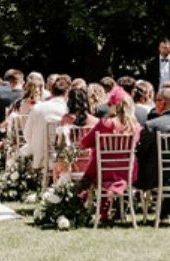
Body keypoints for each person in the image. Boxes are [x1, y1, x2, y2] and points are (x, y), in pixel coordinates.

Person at [79, 86, 141, 219]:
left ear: (114, 106)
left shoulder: (105, 123)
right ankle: (110, 207)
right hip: (128, 173)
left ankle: (92, 204)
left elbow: (84, 143)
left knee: (96, 157)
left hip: (104, 172)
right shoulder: (135, 127)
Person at [21, 75, 70, 172]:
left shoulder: (37, 108)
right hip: (63, 158)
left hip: (40, 156)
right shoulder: (67, 110)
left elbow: (27, 134)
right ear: (67, 93)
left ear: (51, 92)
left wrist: (36, 145)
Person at [136, 86, 170, 193]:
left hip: (156, 177)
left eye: (156, 101)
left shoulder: (151, 125)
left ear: (162, 103)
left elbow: (142, 152)